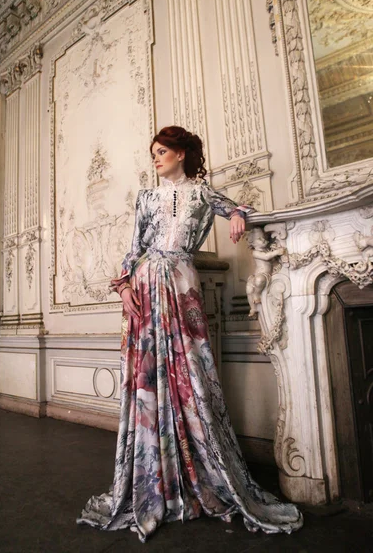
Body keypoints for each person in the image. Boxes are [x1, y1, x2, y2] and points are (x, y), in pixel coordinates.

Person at [77, 126, 303, 542]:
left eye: (162, 151)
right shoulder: (146, 198)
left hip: (182, 283)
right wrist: (125, 287)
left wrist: (237, 214)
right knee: (149, 377)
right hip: (146, 286)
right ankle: (155, 476)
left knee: (192, 374)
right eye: (154, 153)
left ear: (182, 153)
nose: (156, 158)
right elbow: (134, 248)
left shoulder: (202, 193)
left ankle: (197, 468)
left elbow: (241, 208)